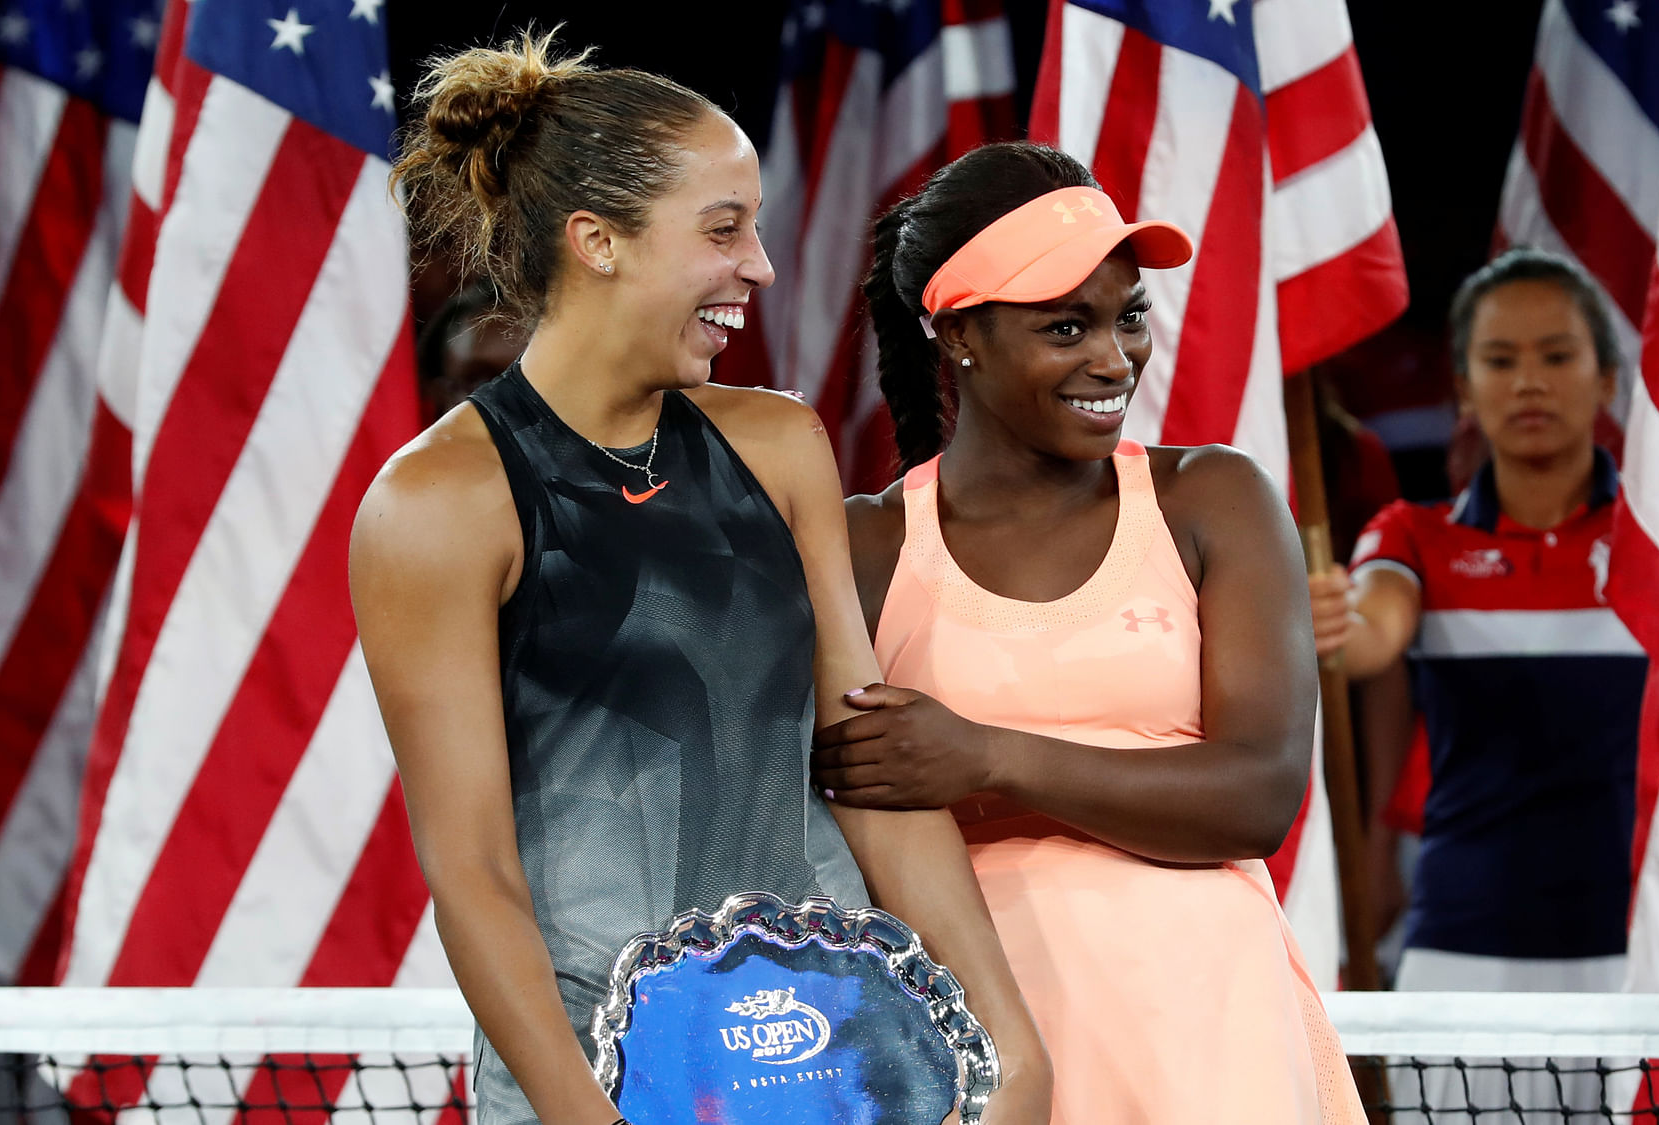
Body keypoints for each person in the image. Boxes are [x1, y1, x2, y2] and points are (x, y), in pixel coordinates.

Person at [351, 33, 1049, 1125]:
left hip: (837, 1062)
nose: (760, 266)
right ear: (597, 242)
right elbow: (473, 876)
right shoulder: (432, 505)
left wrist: (1010, 1045)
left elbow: (867, 773)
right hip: (592, 1080)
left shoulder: (778, 446)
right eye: (723, 230)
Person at [816, 142, 1363, 1125]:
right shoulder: (864, 544)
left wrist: (983, 759)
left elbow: (1254, 797)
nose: (1113, 359)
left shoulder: (1214, 498)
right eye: (1066, 327)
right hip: (963, 1045)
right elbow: (832, 813)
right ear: (960, 336)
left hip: (1211, 1034)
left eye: (1129, 316)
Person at [1308, 248, 1649, 1122]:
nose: (1528, 381)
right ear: (1464, 385)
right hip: (1464, 959)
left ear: (1607, 377)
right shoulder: (1413, 535)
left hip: (1642, 957)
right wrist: (1337, 621)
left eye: (1556, 355)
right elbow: (1375, 634)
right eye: (1500, 360)